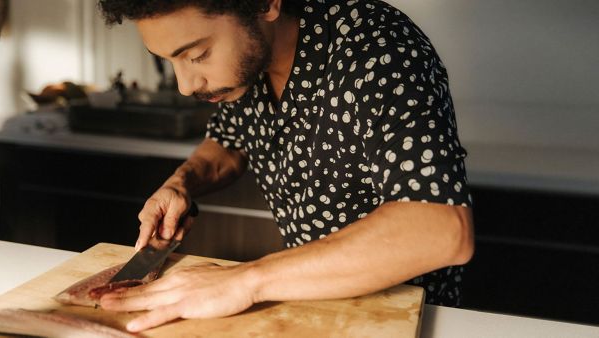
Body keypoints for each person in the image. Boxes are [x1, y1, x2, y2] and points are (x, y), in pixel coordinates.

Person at [97, 0, 475, 332]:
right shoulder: (246, 68)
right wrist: (181, 184)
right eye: (168, 61)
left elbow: (439, 228)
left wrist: (244, 280)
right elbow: (229, 142)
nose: (185, 85)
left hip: (405, 319)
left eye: (197, 55)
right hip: (309, 307)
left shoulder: (378, 51)